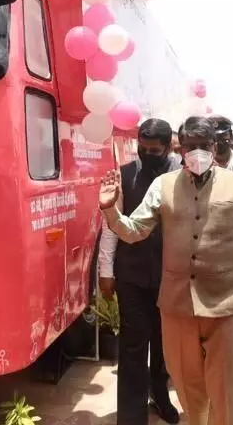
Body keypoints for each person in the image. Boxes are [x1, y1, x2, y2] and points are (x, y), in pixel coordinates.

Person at [100, 116, 233, 425]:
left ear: (215, 146)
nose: (197, 153)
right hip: (177, 305)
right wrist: (110, 210)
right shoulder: (163, 185)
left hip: (228, 305)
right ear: (180, 149)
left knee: (227, 389)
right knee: (186, 384)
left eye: (204, 146)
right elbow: (134, 231)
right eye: (190, 147)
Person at [98, 118, 181, 425]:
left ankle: (160, 395)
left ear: (168, 147)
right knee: (132, 347)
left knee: (165, 344)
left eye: (154, 150)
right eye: (141, 148)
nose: (147, 154)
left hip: (171, 276)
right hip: (132, 275)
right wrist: (105, 270)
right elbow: (110, 227)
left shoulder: (181, 174)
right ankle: (131, 415)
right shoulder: (124, 175)